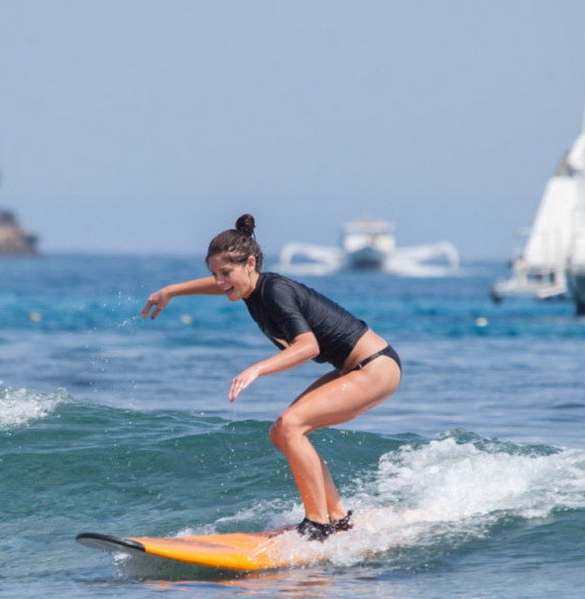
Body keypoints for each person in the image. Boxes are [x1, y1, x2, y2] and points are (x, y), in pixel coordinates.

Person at [142, 214, 402, 540]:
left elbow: (308, 347)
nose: (220, 281)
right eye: (214, 273)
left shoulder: (275, 291)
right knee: (282, 432)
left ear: (250, 264)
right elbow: (218, 284)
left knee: (292, 425)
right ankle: (338, 518)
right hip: (355, 367)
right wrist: (171, 291)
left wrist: (257, 368)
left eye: (226, 273)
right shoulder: (250, 290)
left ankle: (318, 524)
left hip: (375, 367)